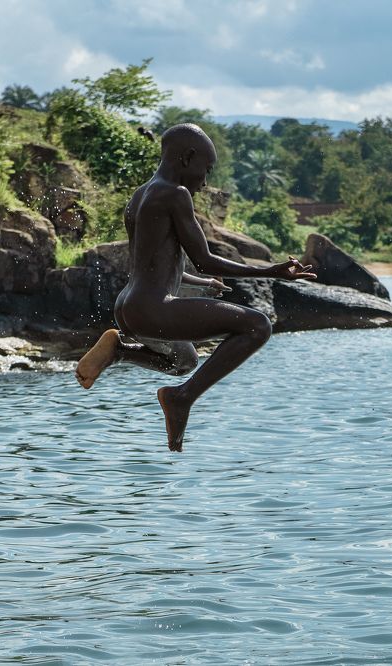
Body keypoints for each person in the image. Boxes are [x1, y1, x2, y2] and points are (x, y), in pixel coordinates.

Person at [75, 124, 316, 451]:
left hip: (128, 306)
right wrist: (270, 271)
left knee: (185, 362)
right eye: (207, 169)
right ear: (188, 158)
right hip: (153, 309)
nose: (205, 182)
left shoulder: (140, 195)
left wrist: (201, 284)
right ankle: (182, 398)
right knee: (257, 326)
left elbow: (156, 263)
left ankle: (119, 350)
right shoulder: (175, 194)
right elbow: (204, 260)